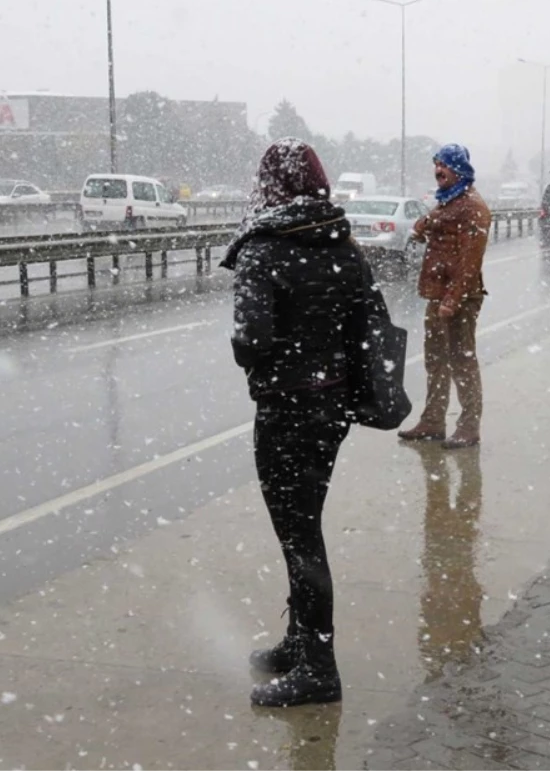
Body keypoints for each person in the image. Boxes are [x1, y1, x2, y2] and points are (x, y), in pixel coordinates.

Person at [220, 137, 364, 707]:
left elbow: (249, 343)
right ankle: (300, 642)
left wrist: (265, 351)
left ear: (271, 186)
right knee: (305, 526)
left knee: (299, 536)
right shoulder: (342, 240)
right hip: (331, 410)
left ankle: (319, 667)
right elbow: (367, 326)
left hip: (285, 410)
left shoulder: (263, 248)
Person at [398, 143, 492, 449]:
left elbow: (470, 260)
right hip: (438, 293)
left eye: (446, 165)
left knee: (462, 360)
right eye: (437, 164)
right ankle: (433, 420)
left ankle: (469, 425)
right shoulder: (448, 201)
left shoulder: (472, 206)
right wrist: (425, 223)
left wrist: (453, 298)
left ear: (460, 169)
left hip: (460, 297)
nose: (439, 170)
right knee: (435, 359)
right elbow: (435, 226)